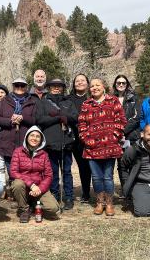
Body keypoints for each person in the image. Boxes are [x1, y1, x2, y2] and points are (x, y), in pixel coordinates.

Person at [78, 78, 126, 216]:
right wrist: (86, 139)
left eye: (97, 85)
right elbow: (81, 124)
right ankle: (100, 202)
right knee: (97, 177)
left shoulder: (113, 101)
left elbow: (121, 120)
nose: (94, 88)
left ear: (103, 86)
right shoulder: (86, 104)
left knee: (108, 177)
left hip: (110, 146)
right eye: (92, 86)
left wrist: (115, 136)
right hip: (92, 148)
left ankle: (109, 203)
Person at [36, 78, 77, 210]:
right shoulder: (43, 102)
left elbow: (74, 118)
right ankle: (54, 195)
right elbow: (40, 119)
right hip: (50, 144)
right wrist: (57, 118)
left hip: (67, 142)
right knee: (52, 172)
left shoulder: (68, 102)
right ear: (49, 87)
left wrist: (63, 115)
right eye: (53, 86)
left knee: (66, 171)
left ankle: (69, 196)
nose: (56, 88)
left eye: (59, 86)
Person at [10, 126, 60, 223]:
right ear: (27, 137)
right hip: (23, 186)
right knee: (17, 184)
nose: (34, 138)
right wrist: (31, 185)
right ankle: (24, 210)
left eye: (38, 136)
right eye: (32, 135)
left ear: (41, 140)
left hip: (38, 187)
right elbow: (13, 172)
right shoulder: (18, 151)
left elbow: (48, 175)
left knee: (53, 209)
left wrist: (40, 189)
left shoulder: (44, 154)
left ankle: (33, 204)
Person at [0, 77, 36, 181]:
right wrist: (10, 121)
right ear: (13, 86)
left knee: (25, 170)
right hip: (8, 142)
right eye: (17, 85)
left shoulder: (32, 101)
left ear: (26, 87)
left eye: (22, 85)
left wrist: (23, 118)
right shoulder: (5, 100)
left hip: (25, 142)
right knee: (11, 170)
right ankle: (14, 191)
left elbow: (35, 120)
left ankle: (22, 192)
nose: (19, 87)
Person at [112, 75, 140, 189]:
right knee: (121, 164)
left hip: (131, 136)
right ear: (115, 84)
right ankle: (125, 190)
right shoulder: (110, 99)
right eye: (119, 83)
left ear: (127, 84)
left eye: (124, 83)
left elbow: (136, 117)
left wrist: (123, 131)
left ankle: (134, 189)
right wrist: (117, 132)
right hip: (116, 137)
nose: (121, 85)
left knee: (132, 163)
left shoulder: (134, 98)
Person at [67, 73, 91, 203]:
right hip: (72, 137)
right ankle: (73, 193)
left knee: (87, 166)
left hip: (89, 138)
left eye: (83, 80)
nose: (80, 82)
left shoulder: (92, 98)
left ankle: (87, 192)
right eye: (77, 81)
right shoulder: (68, 99)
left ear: (87, 83)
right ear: (74, 84)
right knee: (74, 166)